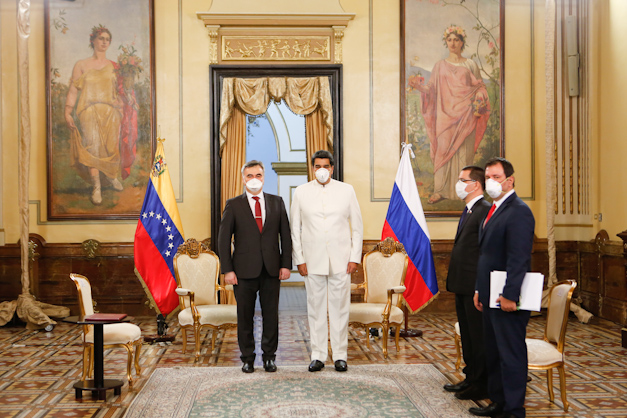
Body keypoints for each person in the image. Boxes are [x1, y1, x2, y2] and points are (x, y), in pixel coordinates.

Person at [471, 157, 535, 418]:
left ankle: (514, 409)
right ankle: (498, 402)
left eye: (496, 177)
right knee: (494, 352)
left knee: (510, 355)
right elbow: (486, 255)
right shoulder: (493, 209)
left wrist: (510, 295)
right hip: (489, 294)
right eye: (487, 177)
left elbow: (518, 257)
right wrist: (479, 289)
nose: (490, 182)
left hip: (508, 297)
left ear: (510, 180)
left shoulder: (519, 210)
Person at [290, 150, 363, 372]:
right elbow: (295, 228)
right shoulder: (301, 193)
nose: (322, 170)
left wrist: (354, 257)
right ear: (312, 169)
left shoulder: (346, 190)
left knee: (340, 309)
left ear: (332, 168)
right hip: (312, 262)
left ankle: (340, 355)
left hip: (342, 261)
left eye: (326, 166)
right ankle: (318, 355)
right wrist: (300, 259)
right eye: (317, 166)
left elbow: (357, 227)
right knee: (316, 309)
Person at [218, 160, 292, 373]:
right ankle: (247, 358)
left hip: (271, 269)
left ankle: (269, 357)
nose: (253, 180)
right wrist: (227, 270)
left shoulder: (277, 202)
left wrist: (286, 265)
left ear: (263, 177)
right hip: (242, 272)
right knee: (245, 316)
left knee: (271, 316)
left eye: (257, 175)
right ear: (243, 179)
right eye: (249, 176)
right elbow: (224, 240)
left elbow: (285, 236)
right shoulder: (233, 205)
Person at [409, 25, 490, 204]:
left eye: (456, 40)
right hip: (445, 117)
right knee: (442, 152)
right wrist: (419, 87)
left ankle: (465, 191)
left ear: (462, 42)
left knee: (464, 153)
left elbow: (480, 86)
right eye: (450, 40)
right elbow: (431, 89)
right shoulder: (439, 66)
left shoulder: (470, 64)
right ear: (446, 42)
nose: (453, 43)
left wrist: (479, 96)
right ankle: (440, 191)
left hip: (467, 115)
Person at [64, 25, 136, 205]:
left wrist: (127, 99)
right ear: (93, 41)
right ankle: (96, 186)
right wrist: (67, 112)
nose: (104, 42)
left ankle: (111, 177)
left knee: (111, 148)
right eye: (101, 38)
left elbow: (122, 91)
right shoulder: (81, 65)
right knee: (92, 146)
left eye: (107, 39)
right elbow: (73, 90)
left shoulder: (115, 66)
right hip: (88, 111)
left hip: (111, 112)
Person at [444, 166, 491, 401]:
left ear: (476, 184)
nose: (459, 184)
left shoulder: (484, 210)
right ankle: (470, 378)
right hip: (462, 284)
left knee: (477, 336)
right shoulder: (470, 210)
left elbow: (485, 252)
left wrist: (479, 287)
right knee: (469, 337)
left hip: (475, 287)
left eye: (463, 180)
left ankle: (481, 383)